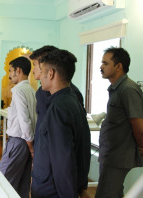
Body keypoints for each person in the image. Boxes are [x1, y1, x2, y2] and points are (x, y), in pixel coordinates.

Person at [31, 49, 91, 198]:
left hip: (51, 189)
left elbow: (63, 159)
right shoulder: (69, 100)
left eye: (42, 71)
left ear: (50, 73)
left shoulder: (58, 108)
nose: (40, 77)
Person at [95, 47, 143, 198]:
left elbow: (139, 126)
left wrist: (142, 147)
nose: (101, 67)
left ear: (118, 66)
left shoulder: (128, 89)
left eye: (105, 63)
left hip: (118, 157)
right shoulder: (117, 88)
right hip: (111, 154)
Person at [0, 56, 37, 198]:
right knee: (22, 185)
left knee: (1, 181)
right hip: (26, 142)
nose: (9, 75)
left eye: (10, 71)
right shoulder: (32, 90)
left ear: (18, 71)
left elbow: (24, 120)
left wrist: (30, 146)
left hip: (20, 142)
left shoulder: (18, 90)